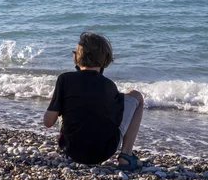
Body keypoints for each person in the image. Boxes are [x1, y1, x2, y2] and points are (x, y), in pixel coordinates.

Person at [43, 32, 144, 169]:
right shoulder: (109, 85)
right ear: (105, 58)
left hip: (71, 150)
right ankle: (126, 155)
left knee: (68, 101)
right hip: (104, 151)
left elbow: (48, 122)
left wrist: (60, 101)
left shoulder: (65, 79)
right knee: (136, 95)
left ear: (76, 56)